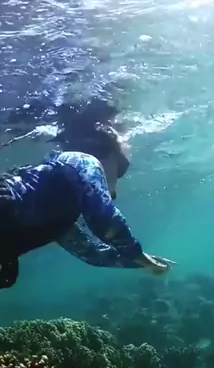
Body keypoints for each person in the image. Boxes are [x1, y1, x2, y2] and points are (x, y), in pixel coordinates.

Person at [0, 121, 174, 289]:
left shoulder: (56, 209)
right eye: (121, 169)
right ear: (110, 157)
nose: (116, 183)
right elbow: (105, 221)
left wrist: (144, 262)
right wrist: (140, 257)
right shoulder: (82, 160)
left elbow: (92, 254)